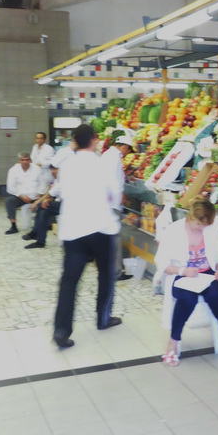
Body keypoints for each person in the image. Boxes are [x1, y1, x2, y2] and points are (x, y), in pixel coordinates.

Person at [51, 124, 122, 349]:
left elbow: (59, 191)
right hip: (101, 228)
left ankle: (61, 331)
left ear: (74, 140)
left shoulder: (66, 166)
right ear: (94, 139)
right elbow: (115, 197)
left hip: (73, 230)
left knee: (69, 281)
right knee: (106, 275)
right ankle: (103, 318)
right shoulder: (103, 165)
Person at [155, 201, 218, 365]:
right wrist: (183, 271)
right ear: (191, 216)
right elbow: (162, 263)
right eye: (198, 224)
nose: (202, 228)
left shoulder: (211, 228)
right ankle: (172, 345)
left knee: (216, 295)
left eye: (205, 225)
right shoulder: (173, 231)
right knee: (187, 299)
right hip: (181, 276)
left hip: (207, 275)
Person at [104, 131, 136, 281]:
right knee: (114, 238)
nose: (127, 154)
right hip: (112, 204)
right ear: (124, 147)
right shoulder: (115, 159)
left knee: (108, 238)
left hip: (107, 202)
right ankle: (116, 272)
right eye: (128, 150)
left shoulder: (107, 156)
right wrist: (120, 197)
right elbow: (113, 182)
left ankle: (109, 269)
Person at [3, 152, 44, 234]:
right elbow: (10, 187)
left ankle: (44, 225)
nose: (25, 162)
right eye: (23, 160)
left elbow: (43, 183)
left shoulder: (37, 169)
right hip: (20, 197)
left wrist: (40, 193)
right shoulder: (13, 170)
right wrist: (21, 196)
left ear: (30, 160)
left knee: (46, 203)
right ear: (19, 161)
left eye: (27, 160)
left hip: (35, 197)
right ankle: (13, 226)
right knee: (9, 201)